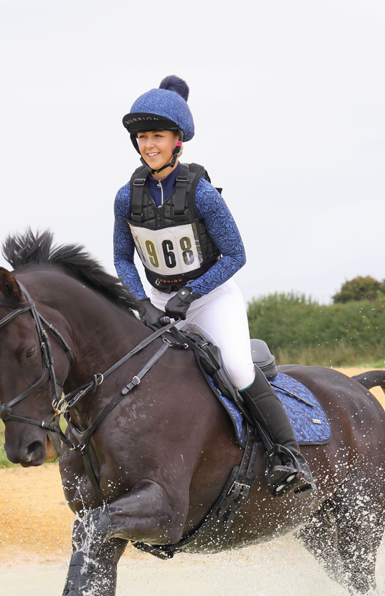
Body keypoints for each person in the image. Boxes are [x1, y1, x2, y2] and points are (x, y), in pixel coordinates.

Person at [113, 75, 314, 497]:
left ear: (177, 142)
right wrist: (140, 303)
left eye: (158, 136)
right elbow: (121, 258)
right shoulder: (125, 198)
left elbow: (236, 255)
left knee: (237, 368)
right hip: (158, 301)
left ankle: (289, 456)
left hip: (209, 298)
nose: (148, 145)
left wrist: (191, 294)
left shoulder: (202, 194)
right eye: (142, 137)